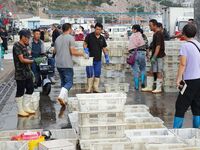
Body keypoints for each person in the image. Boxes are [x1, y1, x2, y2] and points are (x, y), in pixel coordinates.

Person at [13, 29, 45, 117]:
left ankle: (26, 107)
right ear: (22, 37)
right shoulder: (17, 45)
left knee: (30, 88)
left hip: (27, 71)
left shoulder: (25, 45)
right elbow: (22, 59)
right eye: (27, 38)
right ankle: (20, 110)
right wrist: (33, 61)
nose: (28, 39)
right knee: (20, 91)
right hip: (20, 72)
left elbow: (29, 55)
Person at [173, 24, 200, 128]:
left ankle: (176, 131)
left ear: (183, 34)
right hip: (199, 80)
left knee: (180, 106)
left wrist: (179, 79)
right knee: (197, 106)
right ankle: (197, 131)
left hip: (189, 81)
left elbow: (183, 64)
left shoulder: (185, 46)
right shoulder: (198, 44)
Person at [55, 23, 86, 106]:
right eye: (71, 28)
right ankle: (61, 97)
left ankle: (64, 100)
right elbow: (73, 52)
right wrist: (82, 54)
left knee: (63, 82)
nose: (72, 30)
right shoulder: (70, 38)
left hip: (58, 63)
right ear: (69, 29)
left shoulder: (58, 38)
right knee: (69, 82)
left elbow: (55, 51)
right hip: (67, 63)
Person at [84, 23, 110, 93]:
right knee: (89, 73)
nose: (98, 31)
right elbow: (85, 44)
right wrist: (85, 50)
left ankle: (95, 88)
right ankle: (89, 88)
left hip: (98, 59)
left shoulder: (102, 38)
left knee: (97, 73)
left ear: (101, 30)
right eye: (97, 29)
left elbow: (104, 48)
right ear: (95, 29)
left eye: (99, 29)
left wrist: (106, 56)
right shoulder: (89, 36)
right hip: (89, 58)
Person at [142, 19, 165, 93]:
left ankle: (158, 88)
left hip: (159, 56)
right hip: (155, 56)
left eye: (150, 26)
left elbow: (158, 46)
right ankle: (149, 87)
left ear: (155, 25)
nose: (149, 27)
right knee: (151, 71)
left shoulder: (158, 34)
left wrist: (154, 57)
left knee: (159, 72)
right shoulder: (155, 34)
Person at [128, 25, 146, 90]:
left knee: (135, 71)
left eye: (132, 29)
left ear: (135, 30)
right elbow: (146, 45)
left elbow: (130, 47)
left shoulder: (132, 36)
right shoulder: (143, 36)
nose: (132, 30)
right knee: (143, 69)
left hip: (134, 54)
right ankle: (143, 82)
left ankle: (136, 86)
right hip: (142, 53)